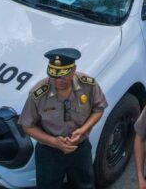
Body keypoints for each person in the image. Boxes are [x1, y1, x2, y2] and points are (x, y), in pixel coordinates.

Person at [19, 48, 107, 189]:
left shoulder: (88, 85)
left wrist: (82, 130)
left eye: (63, 75)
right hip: (49, 153)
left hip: (80, 148)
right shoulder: (39, 93)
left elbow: (99, 109)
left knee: (85, 185)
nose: (58, 80)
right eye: (54, 75)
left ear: (73, 70)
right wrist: (54, 142)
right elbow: (27, 125)